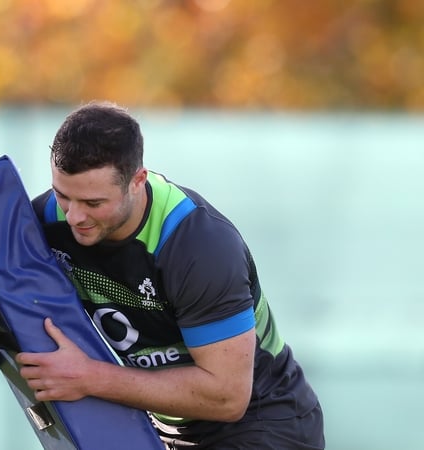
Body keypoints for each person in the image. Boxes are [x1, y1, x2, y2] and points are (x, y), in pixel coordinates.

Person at [18, 101, 325, 449]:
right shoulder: (48, 217)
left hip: (264, 423)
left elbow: (226, 396)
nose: (74, 217)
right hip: (169, 430)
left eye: (93, 203)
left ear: (137, 181)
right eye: (63, 196)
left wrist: (89, 376)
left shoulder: (198, 246)